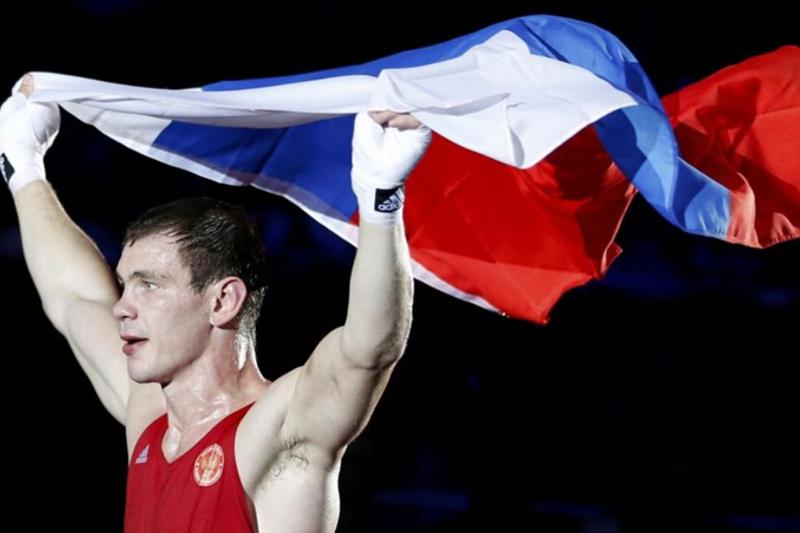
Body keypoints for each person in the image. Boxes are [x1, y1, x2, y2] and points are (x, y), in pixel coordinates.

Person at [0, 73, 432, 532]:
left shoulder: (278, 427)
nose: (122, 307)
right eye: (125, 285)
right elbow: (77, 298)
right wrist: (23, 167)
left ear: (223, 301)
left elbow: (368, 350)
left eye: (150, 286)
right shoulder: (149, 417)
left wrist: (380, 200)